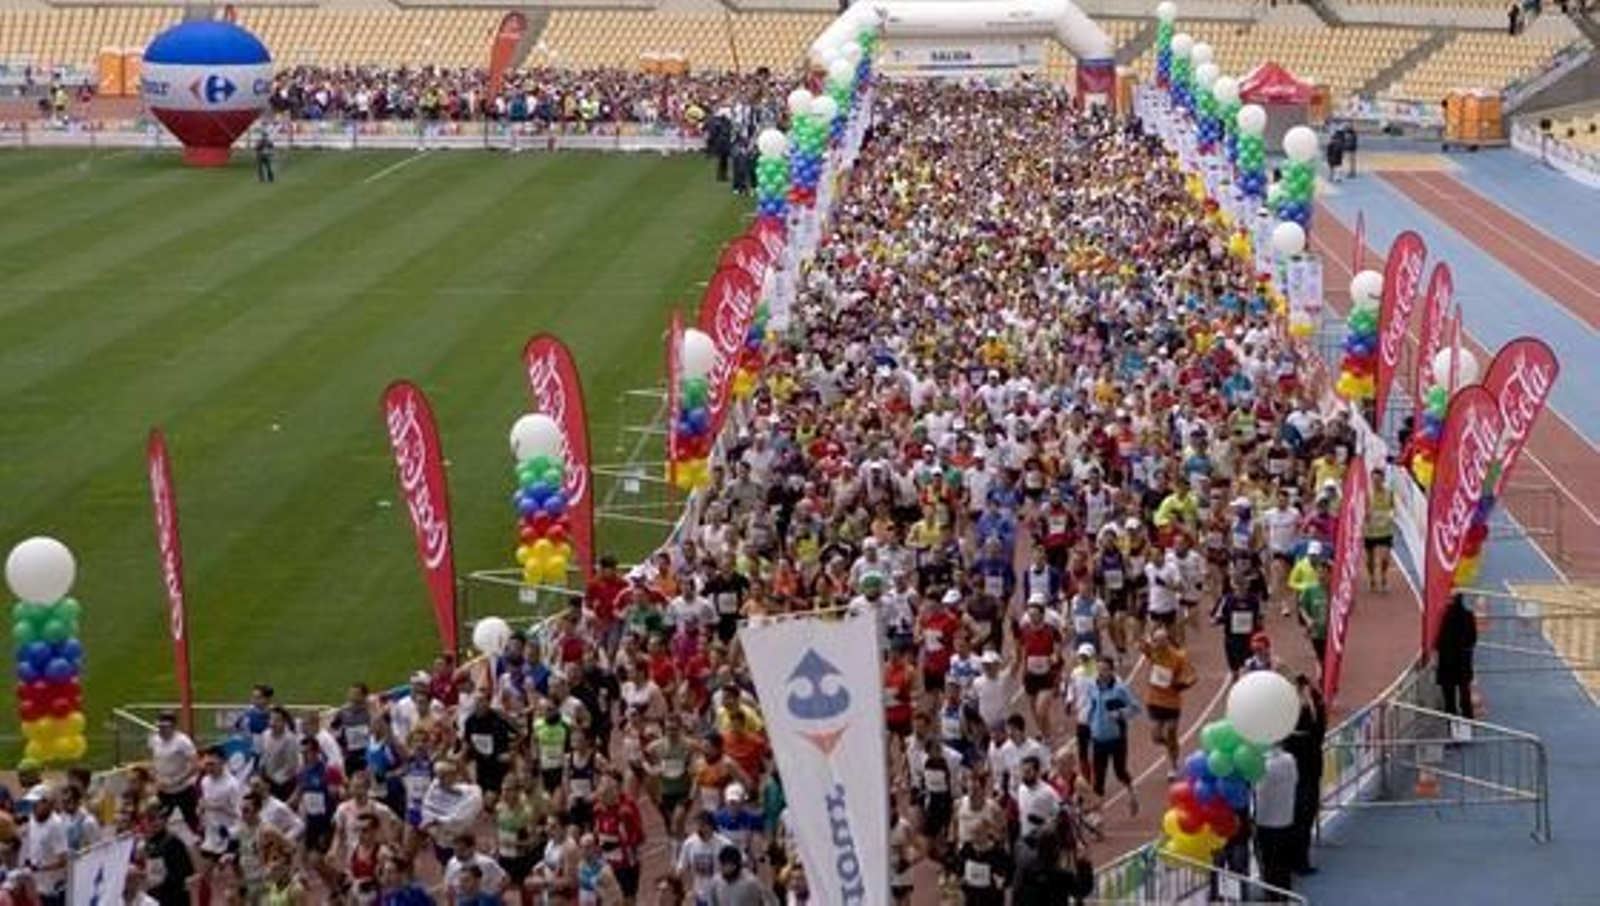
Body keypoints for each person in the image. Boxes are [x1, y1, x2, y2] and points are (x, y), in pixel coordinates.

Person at [1140, 628, 1198, 779]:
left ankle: (1173, 765)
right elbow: (1140, 643)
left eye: (1163, 641)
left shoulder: (1178, 657)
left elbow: (1192, 675)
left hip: (1172, 702)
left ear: (1167, 641)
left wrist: (1184, 684)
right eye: (1157, 641)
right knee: (1156, 736)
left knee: (1171, 730)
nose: (1160, 644)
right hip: (1154, 700)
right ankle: (1172, 747)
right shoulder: (1153, 652)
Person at [1283, 676, 1327, 875]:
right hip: (1308, 786)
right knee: (1304, 825)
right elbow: (1322, 714)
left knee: (1292, 825)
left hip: (1290, 788)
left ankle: (1291, 861)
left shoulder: (1287, 740)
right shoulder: (1314, 737)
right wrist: (1312, 690)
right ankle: (1301, 863)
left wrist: (1296, 693)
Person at [1085, 656, 1141, 813]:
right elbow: (1093, 706)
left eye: (1105, 669)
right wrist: (1090, 725)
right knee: (1098, 778)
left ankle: (1132, 794)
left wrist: (1120, 713)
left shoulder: (1119, 689)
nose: (1101, 673)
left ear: (1111, 671)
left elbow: (1136, 708)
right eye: (1099, 669)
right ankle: (1098, 816)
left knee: (1120, 771)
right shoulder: (1092, 686)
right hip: (1098, 739)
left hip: (1117, 738)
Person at [1254, 746, 1299, 899]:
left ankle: (1272, 898)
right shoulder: (1290, 759)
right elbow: (1295, 780)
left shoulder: (1264, 765)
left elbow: (1260, 789)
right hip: (1286, 822)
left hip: (1266, 824)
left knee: (1269, 866)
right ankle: (1284, 897)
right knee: (1284, 865)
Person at [1435, 593, 1479, 718]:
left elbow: (1438, 641)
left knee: (1449, 694)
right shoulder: (1468, 615)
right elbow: (1473, 638)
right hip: (1463, 661)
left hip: (1447, 661)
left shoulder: (1443, 617)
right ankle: (1468, 717)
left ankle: (1451, 718)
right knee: (1464, 691)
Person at [709, 845, 776, 905]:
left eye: (726, 865)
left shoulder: (751, 883)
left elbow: (770, 901)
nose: (723, 868)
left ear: (736, 866)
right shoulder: (716, 881)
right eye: (722, 864)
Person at [1364, 467, 1395, 592]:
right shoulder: (1367, 494)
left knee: (1385, 558)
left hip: (1385, 531)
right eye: (1374, 480)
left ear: (1383, 479)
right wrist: (1365, 515)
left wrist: (1391, 514)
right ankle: (1372, 578)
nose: (1376, 482)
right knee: (1369, 560)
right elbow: (1362, 510)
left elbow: (1393, 508)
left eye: (1378, 479)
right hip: (1370, 532)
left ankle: (1383, 577)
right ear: (1371, 480)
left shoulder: (1389, 493)